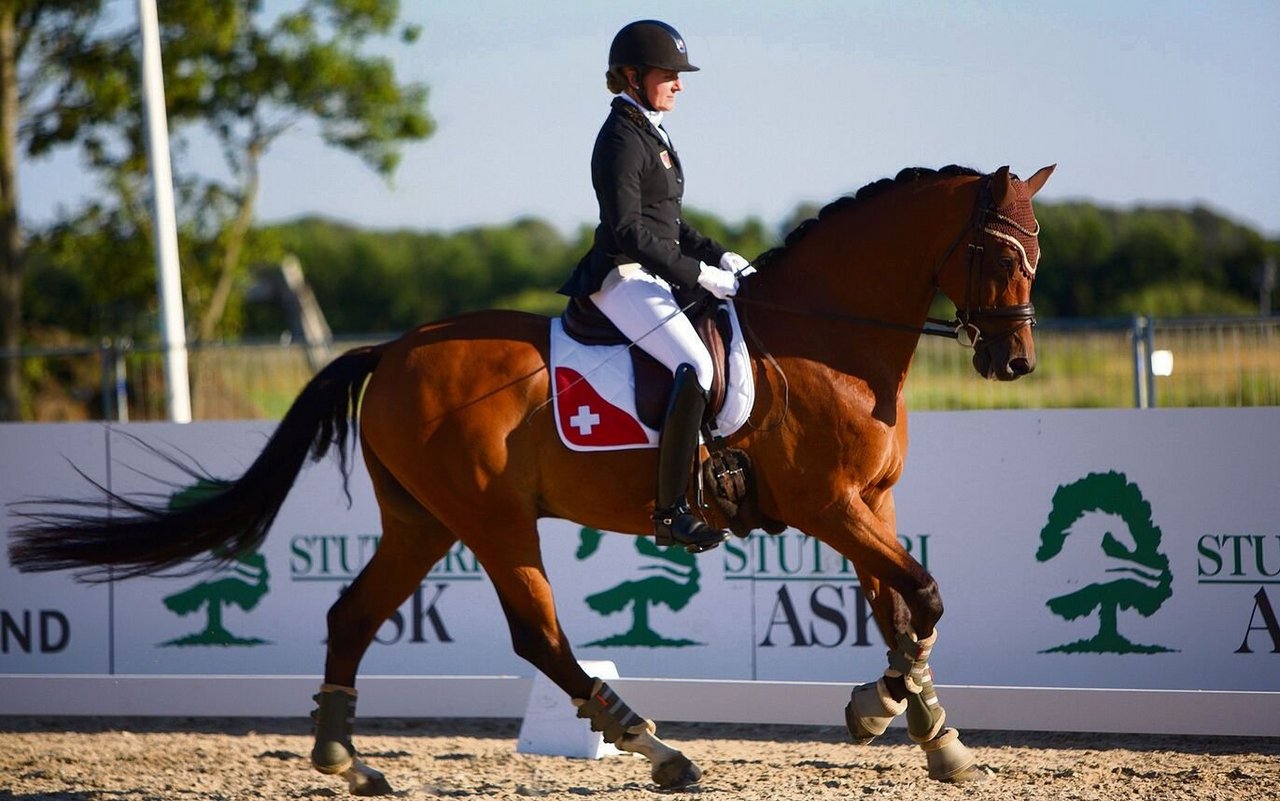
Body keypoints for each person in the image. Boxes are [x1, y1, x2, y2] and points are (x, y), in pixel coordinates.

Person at [558, 20, 751, 553]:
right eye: (670, 74)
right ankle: (671, 512)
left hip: (653, 269)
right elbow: (628, 230)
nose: (679, 85)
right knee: (698, 366)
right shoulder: (620, 136)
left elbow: (670, 225)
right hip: (621, 275)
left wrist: (720, 256)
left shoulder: (651, 130)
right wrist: (698, 276)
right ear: (631, 75)